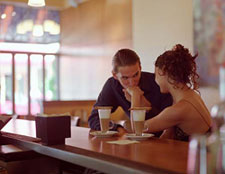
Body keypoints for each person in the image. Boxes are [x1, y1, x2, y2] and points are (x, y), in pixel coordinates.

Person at [88, 48, 173, 135]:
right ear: (115, 75)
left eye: (136, 75)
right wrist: (117, 129)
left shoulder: (158, 83)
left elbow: (170, 123)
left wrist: (143, 102)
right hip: (137, 140)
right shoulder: (112, 85)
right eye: (125, 78)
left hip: (165, 139)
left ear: (140, 68)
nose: (132, 82)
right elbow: (94, 118)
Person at [142, 44, 212, 141]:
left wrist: (135, 97)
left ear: (162, 71)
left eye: (155, 75)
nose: (155, 80)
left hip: (202, 154)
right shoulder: (189, 96)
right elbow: (167, 135)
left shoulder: (180, 108)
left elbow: (138, 129)